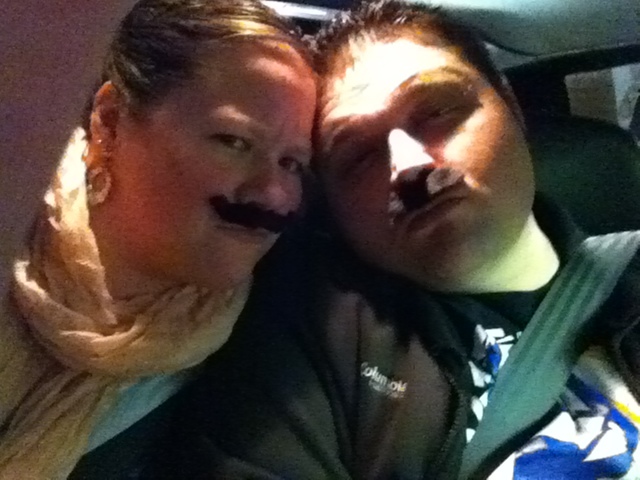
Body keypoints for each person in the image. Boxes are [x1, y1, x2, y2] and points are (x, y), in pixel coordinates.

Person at [168, 1, 640, 479]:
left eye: (437, 111)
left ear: (511, 108)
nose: (409, 166)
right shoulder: (312, 343)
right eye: (357, 157)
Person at [0, 0, 316, 478]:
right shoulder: (13, 214)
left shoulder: (251, 364)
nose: (273, 194)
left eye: (291, 163)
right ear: (109, 121)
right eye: (233, 141)